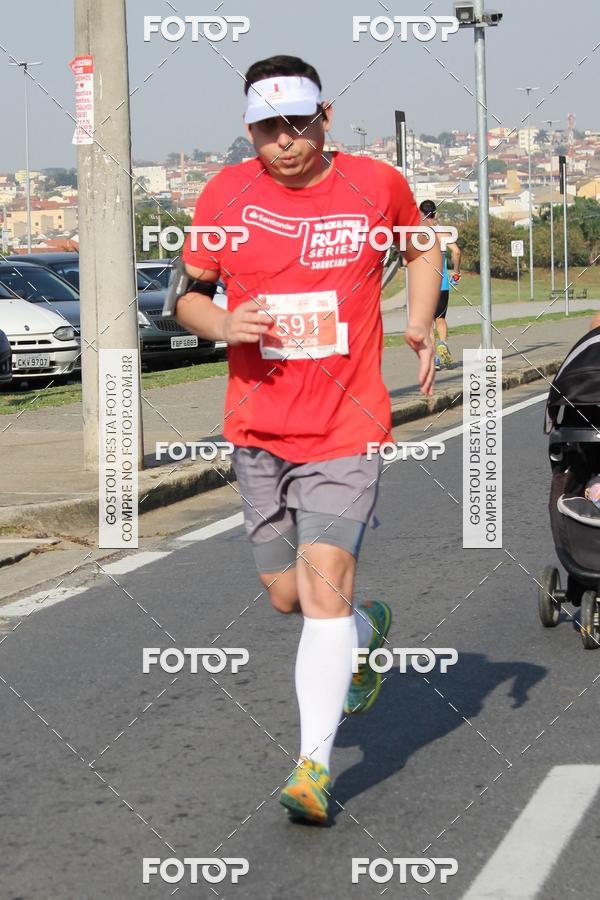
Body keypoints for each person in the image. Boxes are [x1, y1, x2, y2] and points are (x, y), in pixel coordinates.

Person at [175, 55, 441, 824]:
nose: (284, 142)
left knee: (323, 584)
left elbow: (421, 247)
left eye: (298, 124)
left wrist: (419, 322)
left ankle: (312, 770)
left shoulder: (374, 184)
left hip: (346, 423)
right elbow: (184, 296)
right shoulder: (226, 193)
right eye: (267, 128)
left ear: (326, 118)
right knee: (289, 595)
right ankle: (366, 630)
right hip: (258, 424)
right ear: (249, 128)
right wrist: (223, 323)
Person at [418, 199, 461, 370]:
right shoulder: (443, 234)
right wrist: (456, 271)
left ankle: (434, 358)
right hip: (442, 283)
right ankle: (443, 343)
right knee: (440, 319)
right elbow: (456, 251)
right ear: (435, 214)